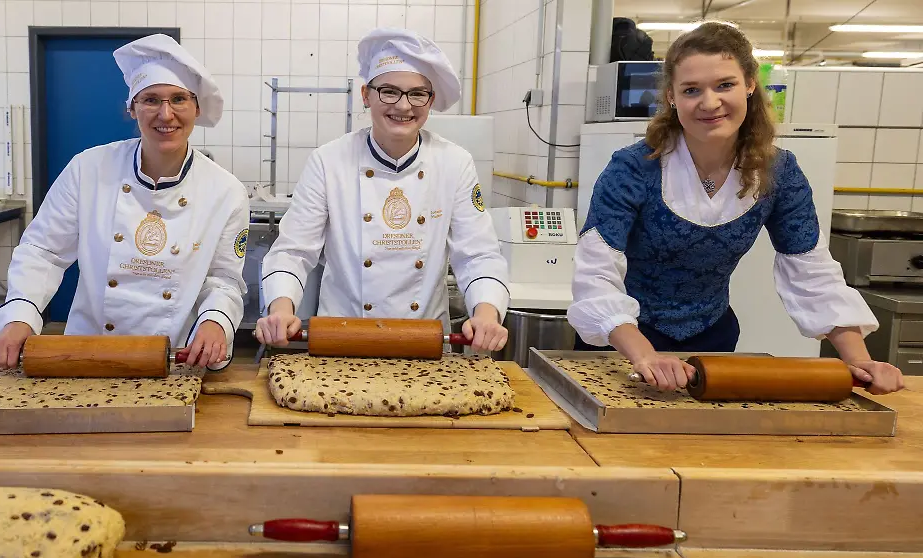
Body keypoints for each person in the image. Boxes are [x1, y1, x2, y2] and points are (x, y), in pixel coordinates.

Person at [568, 22, 903, 395]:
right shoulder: (633, 168)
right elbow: (596, 273)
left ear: (749, 84)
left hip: (712, 344)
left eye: (724, 85)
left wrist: (859, 360)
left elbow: (813, 272)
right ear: (672, 97)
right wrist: (646, 356)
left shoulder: (778, 172)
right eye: (691, 90)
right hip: (621, 344)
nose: (709, 103)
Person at [0, 34, 249, 370]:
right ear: (131, 108)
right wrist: (19, 318)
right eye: (150, 100)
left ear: (197, 108)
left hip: (176, 359)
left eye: (179, 99)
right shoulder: (88, 169)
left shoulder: (226, 191)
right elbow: (43, 251)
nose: (166, 114)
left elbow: (223, 279)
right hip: (89, 352)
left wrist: (215, 322)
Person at [256, 27, 510, 353]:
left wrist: (486, 314)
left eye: (417, 94)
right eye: (389, 91)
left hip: (425, 342)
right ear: (366, 95)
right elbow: (293, 251)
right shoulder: (328, 161)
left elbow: (477, 254)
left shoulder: (454, 163)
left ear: (431, 100)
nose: (403, 106)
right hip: (342, 338)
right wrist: (280, 308)